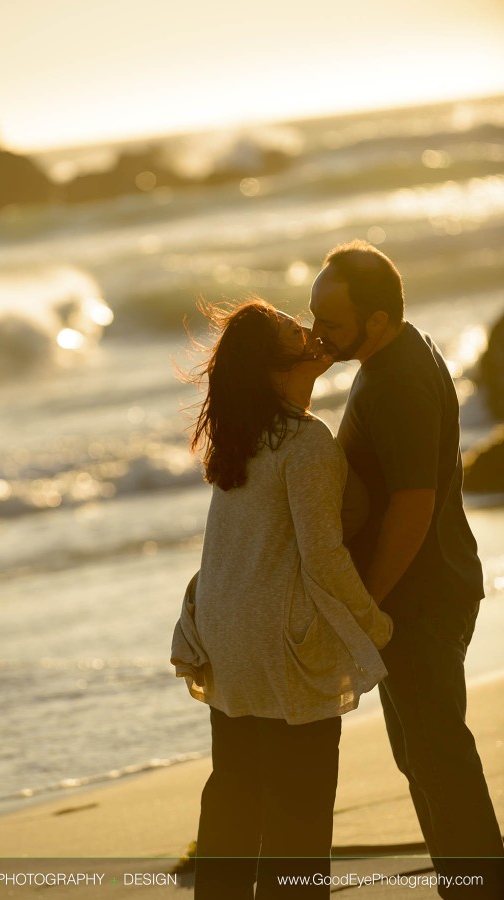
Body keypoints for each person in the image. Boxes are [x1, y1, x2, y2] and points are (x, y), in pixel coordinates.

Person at [171, 298, 393, 900]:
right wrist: (376, 625)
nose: (314, 332)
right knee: (300, 816)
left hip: (222, 635)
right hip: (279, 645)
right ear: (277, 363)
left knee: (235, 799)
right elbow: (323, 560)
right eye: (298, 330)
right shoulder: (307, 442)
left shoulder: (243, 437)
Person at [309, 240, 504, 896]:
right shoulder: (403, 348)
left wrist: (364, 603)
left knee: (434, 755)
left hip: (418, 598)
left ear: (377, 320)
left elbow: (412, 507)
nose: (316, 335)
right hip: (431, 586)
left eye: (330, 324)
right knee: (423, 753)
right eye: (313, 317)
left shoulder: (394, 381)